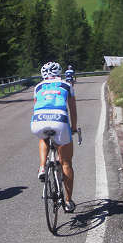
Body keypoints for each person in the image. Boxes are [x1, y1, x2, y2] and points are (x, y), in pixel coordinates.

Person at [31, 61, 78, 212]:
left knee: (44, 137)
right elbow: (72, 109)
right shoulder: (66, 84)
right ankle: (69, 201)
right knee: (66, 163)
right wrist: (74, 128)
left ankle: (42, 167)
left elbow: (36, 105)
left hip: (38, 121)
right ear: (59, 72)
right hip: (60, 121)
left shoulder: (38, 87)